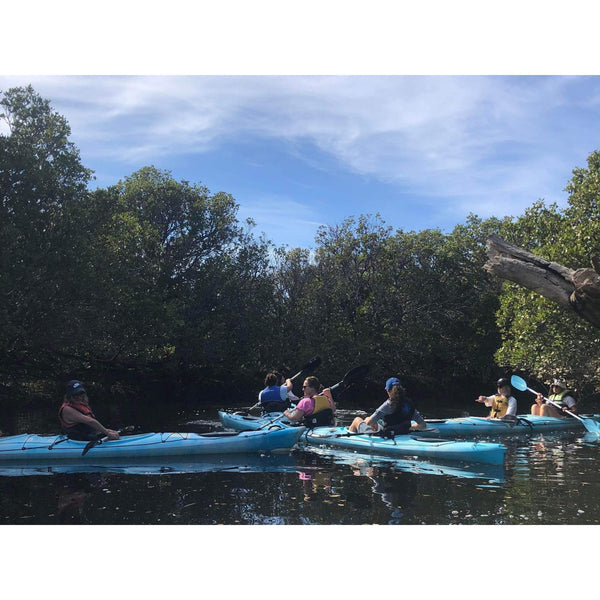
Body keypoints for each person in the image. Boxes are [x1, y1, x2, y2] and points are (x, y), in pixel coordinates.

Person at [348, 377, 426, 435]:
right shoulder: (409, 404)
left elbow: (368, 422)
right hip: (403, 434)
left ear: (388, 392)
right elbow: (422, 425)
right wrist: (410, 428)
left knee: (357, 420)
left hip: (386, 435)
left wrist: (369, 419)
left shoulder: (388, 404)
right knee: (377, 422)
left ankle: (349, 441)